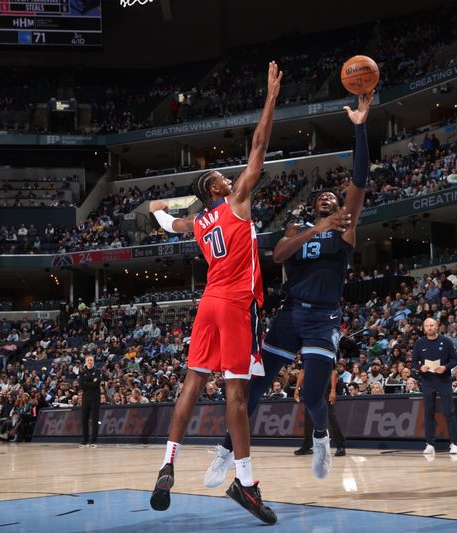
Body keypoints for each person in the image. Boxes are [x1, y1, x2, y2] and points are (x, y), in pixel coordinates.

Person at [202, 89, 373, 487]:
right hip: (291, 315)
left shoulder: (346, 227)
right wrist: (315, 228)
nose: (331, 199)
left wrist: (360, 130)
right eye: (325, 197)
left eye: (335, 198)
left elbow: (360, 179)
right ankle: (225, 452)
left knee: (313, 395)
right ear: (316, 206)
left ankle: (320, 437)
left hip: (324, 318)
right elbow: (278, 255)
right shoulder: (300, 228)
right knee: (256, 388)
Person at [146, 62, 281, 525]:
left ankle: (168, 462)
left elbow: (169, 222)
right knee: (237, 398)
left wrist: (159, 210)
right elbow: (260, 146)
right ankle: (245, 483)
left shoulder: (198, 222)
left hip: (206, 303)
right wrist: (269, 98)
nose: (230, 177)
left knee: (191, 383)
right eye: (223, 177)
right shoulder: (237, 200)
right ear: (218, 189)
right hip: (235, 306)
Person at [413, 318, 457, 455]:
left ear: (437, 326)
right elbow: (414, 361)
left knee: (449, 412)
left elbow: (455, 359)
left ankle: (454, 444)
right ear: (424, 328)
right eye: (427, 325)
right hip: (427, 381)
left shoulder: (446, 341)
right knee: (428, 413)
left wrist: (445, 367)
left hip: (444, 380)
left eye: (432, 325)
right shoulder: (419, 343)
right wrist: (420, 368)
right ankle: (429, 444)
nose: (429, 328)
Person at [292, 366, 346, 457]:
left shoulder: (328, 352)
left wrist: (333, 390)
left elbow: (333, 372)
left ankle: (340, 446)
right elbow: (302, 372)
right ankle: (307, 445)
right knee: (309, 416)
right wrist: (297, 388)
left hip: (324, 384)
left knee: (329, 416)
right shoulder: (305, 353)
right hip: (310, 386)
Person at [79, 355, 102, 448]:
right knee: (84, 419)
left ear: (94, 361)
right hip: (85, 399)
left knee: (94, 420)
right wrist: (91, 382)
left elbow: (97, 384)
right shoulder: (82, 373)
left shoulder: (98, 371)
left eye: (91, 360)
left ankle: (94, 441)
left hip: (95, 399)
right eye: (88, 360)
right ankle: (85, 440)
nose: (90, 361)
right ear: (85, 361)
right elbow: (81, 385)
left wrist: (86, 383)